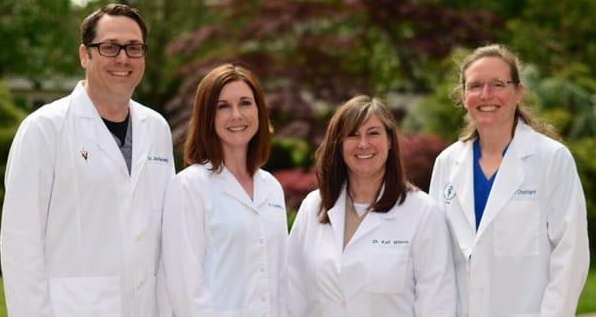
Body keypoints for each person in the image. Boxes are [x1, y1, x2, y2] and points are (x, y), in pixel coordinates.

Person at [0, 4, 175, 317]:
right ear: (85, 54)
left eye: (134, 48)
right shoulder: (44, 129)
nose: (123, 58)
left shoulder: (157, 129)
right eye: (109, 47)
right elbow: (19, 244)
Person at [429, 44, 590, 316]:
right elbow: (433, 256)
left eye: (498, 84)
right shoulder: (447, 163)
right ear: (464, 95)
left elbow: (571, 254)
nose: (486, 95)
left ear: (518, 91)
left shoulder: (551, 159)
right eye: (476, 85)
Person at [288, 95, 456, 316]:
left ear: (389, 140)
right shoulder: (314, 207)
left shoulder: (422, 212)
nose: (363, 144)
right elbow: (292, 292)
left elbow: (437, 302)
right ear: (339, 145)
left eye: (373, 133)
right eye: (352, 135)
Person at [162, 64, 288, 317]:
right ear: (207, 117)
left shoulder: (271, 187)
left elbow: (281, 276)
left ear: (259, 111)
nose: (236, 115)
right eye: (223, 106)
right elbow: (185, 288)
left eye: (245, 103)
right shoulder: (189, 186)